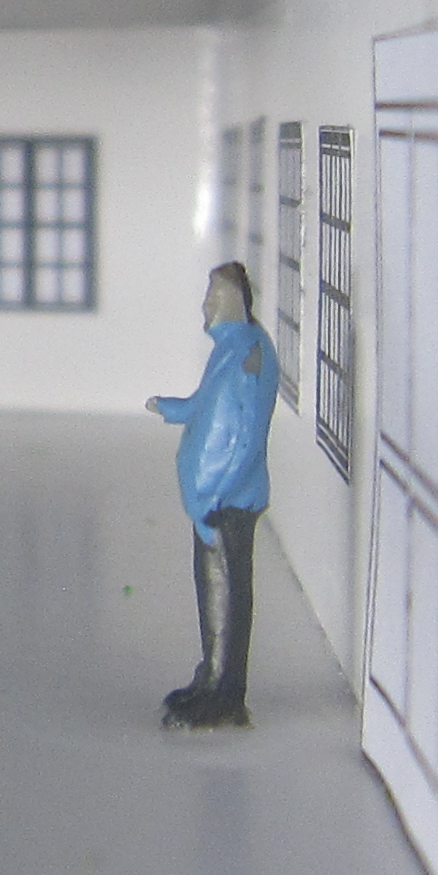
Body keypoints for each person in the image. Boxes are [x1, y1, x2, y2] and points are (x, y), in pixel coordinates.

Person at [148, 260, 277, 729]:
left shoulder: (248, 356)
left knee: (226, 590)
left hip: (227, 503)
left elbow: (242, 435)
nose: (206, 306)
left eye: (213, 297)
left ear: (235, 302)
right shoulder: (231, 349)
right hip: (211, 503)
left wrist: (215, 493)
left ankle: (226, 694)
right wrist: (169, 407)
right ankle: (212, 676)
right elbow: (206, 407)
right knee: (213, 589)